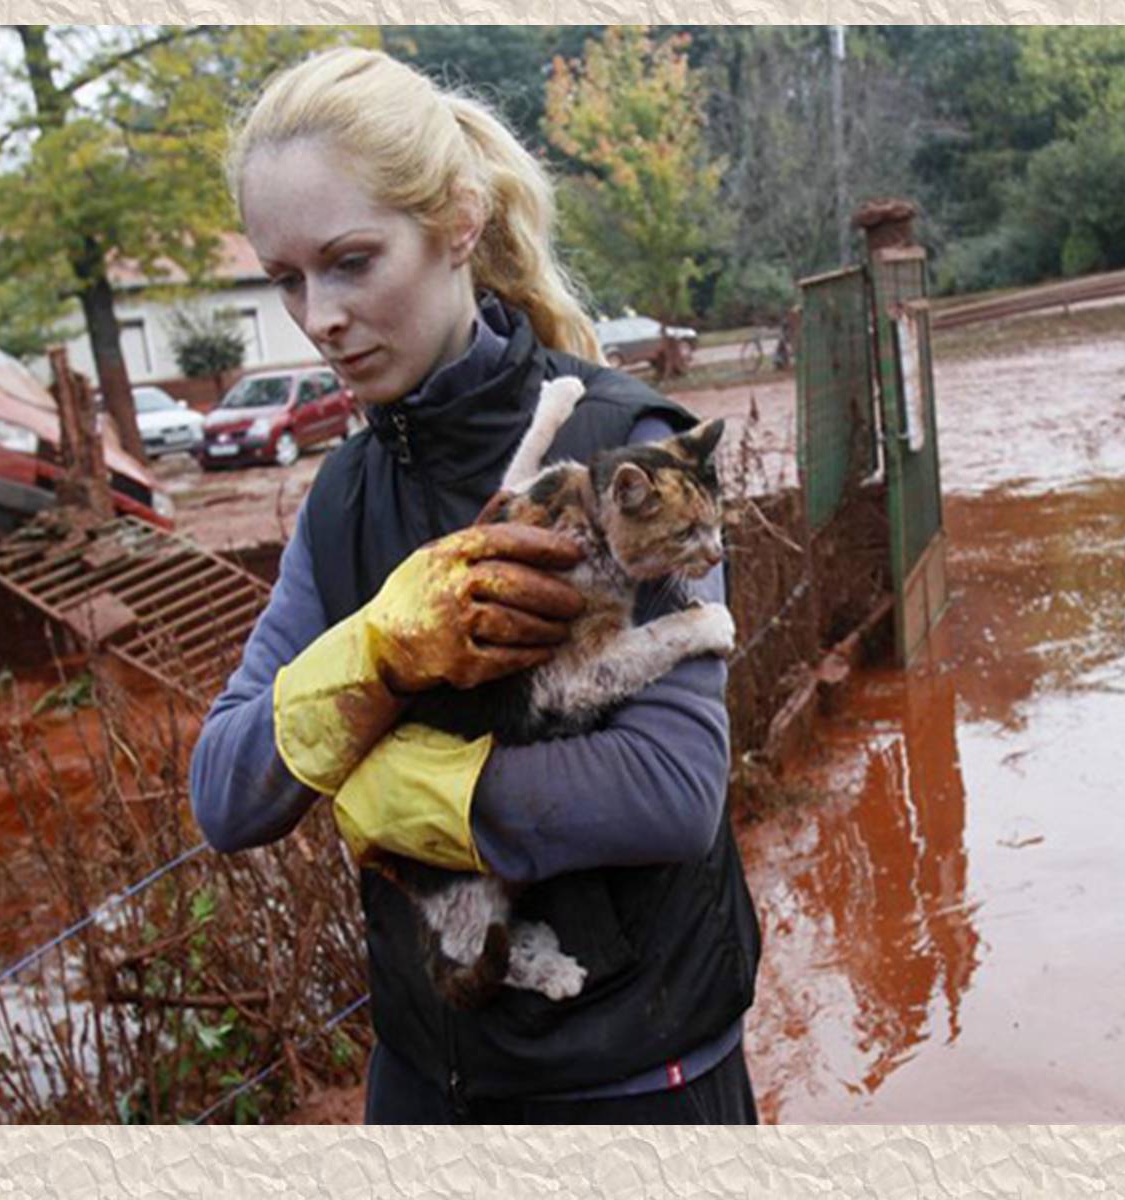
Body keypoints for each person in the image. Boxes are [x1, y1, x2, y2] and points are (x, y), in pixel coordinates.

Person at [189, 46, 761, 1124]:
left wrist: (403, 792)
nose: (318, 317)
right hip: (425, 1076)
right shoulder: (342, 498)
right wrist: (367, 656)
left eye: (351, 261)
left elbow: (673, 789)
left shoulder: (626, 450)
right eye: (284, 278)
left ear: (457, 223)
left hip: (636, 1077)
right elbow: (224, 791)